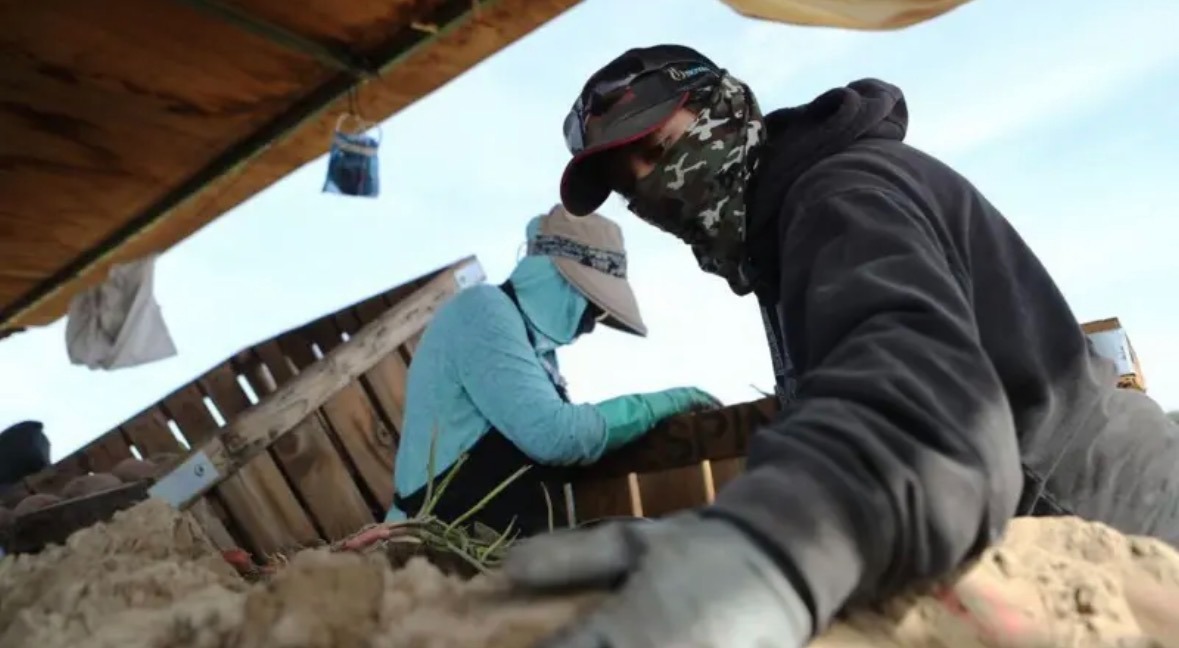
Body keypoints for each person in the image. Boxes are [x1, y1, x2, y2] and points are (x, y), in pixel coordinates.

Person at [502, 45, 1179, 647]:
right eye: (628, 185)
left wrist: (776, 543)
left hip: (1116, 519)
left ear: (727, 110)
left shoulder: (840, 197)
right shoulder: (791, 235)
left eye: (659, 150)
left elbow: (923, 407)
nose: (652, 190)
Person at [387, 204, 718, 536]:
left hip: (494, 547)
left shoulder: (534, 352)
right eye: (593, 307)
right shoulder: (482, 311)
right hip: (434, 543)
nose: (591, 326)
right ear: (559, 279)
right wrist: (657, 405)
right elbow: (555, 435)